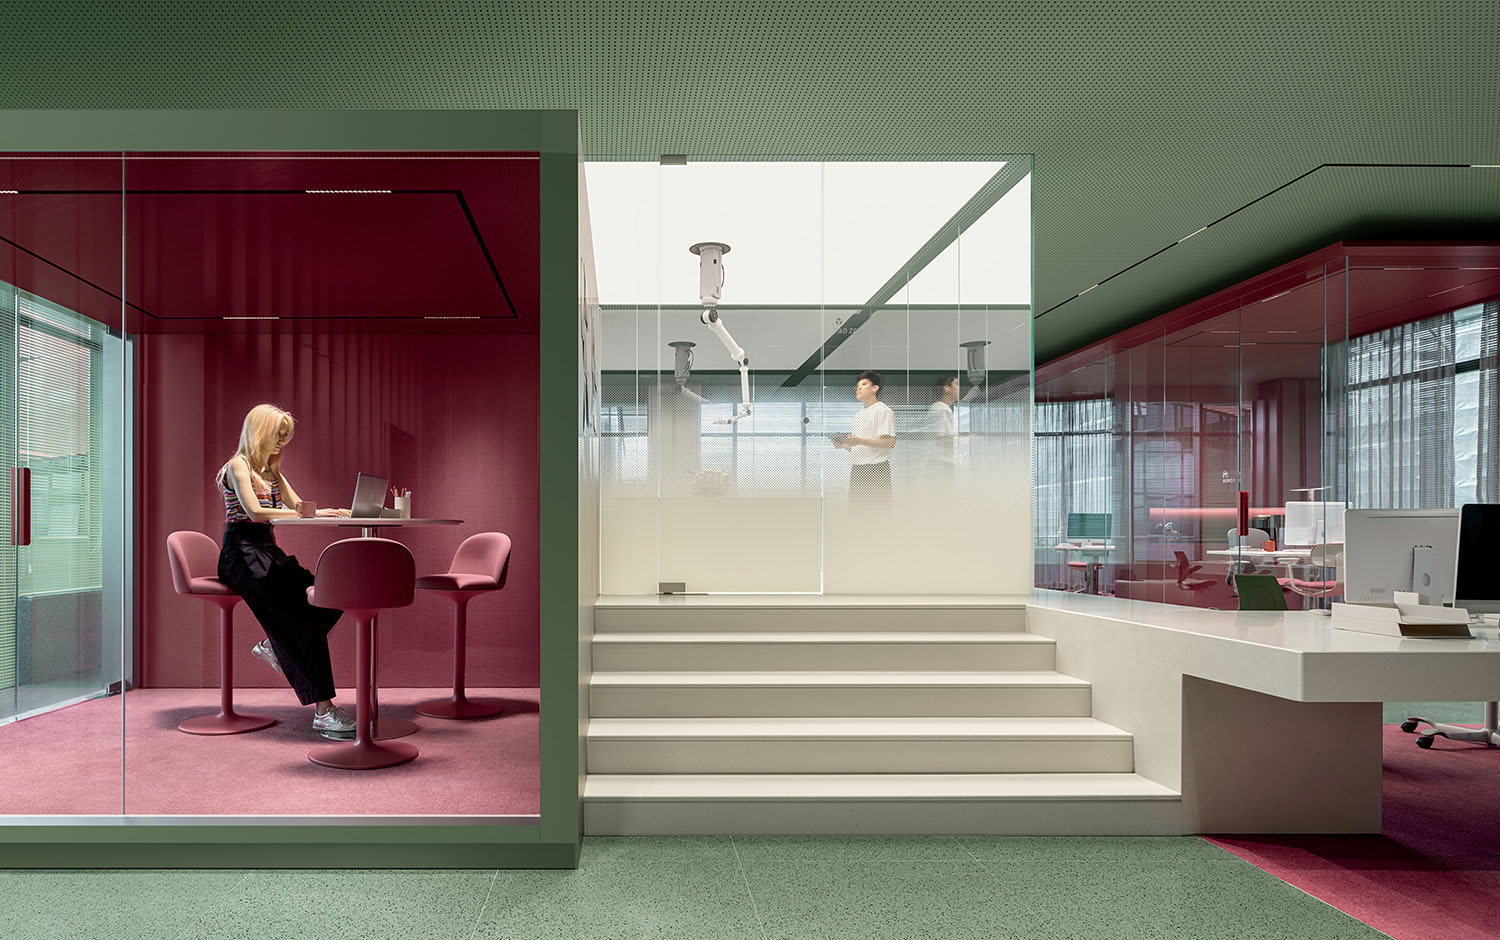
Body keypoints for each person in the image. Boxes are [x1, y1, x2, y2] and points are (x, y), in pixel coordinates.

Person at [215, 404, 357, 736]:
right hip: (241, 555)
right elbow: (254, 511)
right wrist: (310, 514)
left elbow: (298, 507)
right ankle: (324, 710)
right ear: (259, 431)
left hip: (269, 553)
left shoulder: (272, 472)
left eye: (286, 436)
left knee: (326, 594)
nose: (282, 441)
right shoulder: (238, 467)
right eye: (277, 434)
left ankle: (273, 645)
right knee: (300, 623)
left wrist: (328, 512)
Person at [835, 370, 896, 510]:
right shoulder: (858, 415)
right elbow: (861, 447)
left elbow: (889, 442)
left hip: (876, 470)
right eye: (857, 385)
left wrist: (860, 440)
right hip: (857, 470)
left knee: (876, 516)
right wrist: (844, 445)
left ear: (875, 388)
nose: (859, 388)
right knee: (857, 515)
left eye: (864, 384)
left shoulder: (882, 410)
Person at [927, 374, 959, 479]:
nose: (959, 388)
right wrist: (967, 440)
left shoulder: (944, 409)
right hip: (941, 467)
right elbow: (944, 438)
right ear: (947, 388)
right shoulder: (941, 409)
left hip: (943, 466)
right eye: (956, 384)